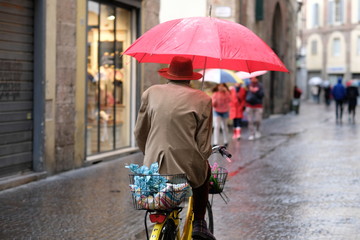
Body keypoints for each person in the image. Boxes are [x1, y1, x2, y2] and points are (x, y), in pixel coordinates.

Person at [134, 56, 216, 240]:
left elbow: (140, 132)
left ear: (168, 75)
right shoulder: (203, 99)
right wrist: (206, 155)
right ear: (190, 77)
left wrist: (150, 154)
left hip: (153, 163)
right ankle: (199, 223)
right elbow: (203, 147)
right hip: (186, 164)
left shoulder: (151, 92)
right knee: (204, 173)